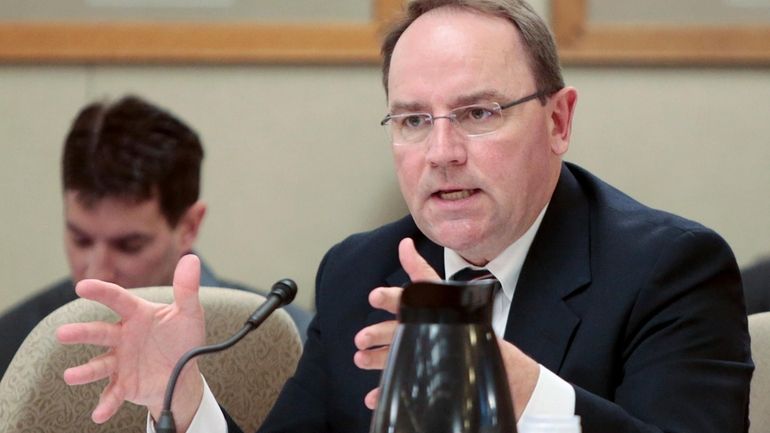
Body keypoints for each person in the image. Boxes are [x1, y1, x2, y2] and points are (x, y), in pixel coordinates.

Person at [56, 1, 753, 432]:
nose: (442, 152)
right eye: (414, 120)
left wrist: (517, 388)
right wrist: (182, 399)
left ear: (558, 120)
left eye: (479, 113)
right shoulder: (361, 269)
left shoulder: (669, 270)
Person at [0, 95, 311, 378]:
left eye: (129, 246)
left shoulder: (287, 345)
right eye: (81, 240)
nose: (97, 273)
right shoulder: (16, 342)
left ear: (189, 226)